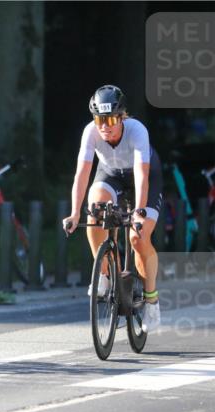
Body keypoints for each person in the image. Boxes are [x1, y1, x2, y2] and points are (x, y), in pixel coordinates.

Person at [62, 85, 163, 332]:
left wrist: (139, 212)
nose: (104, 126)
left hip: (141, 177)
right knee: (94, 210)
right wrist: (75, 213)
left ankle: (151, 300)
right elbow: (82, 174)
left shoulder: (137, 130)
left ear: (122, 116)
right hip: (110, 175)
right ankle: (109, 277)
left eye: (109, 119)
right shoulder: (91, 132)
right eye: (99, 119)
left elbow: (141, 174)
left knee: (138, 238)